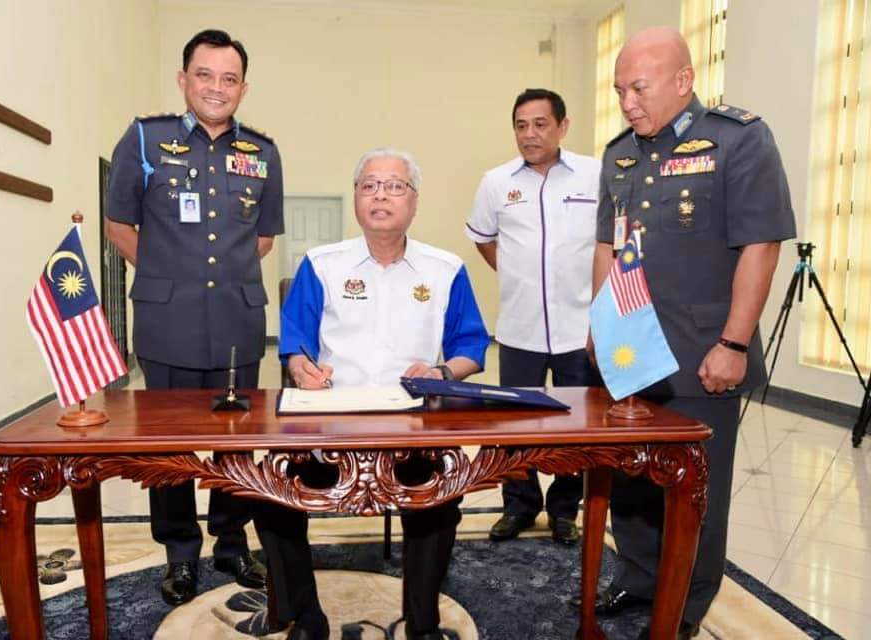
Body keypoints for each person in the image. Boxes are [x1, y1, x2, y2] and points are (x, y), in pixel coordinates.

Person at [589, 27, 796, 639]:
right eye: (620, 89)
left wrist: (733, 344)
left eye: (639, 87)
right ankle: (638, 575)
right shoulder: (618, 153)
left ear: (683, 81)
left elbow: (761, 245)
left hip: (701, 353)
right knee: (631, 479)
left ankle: (685, 601)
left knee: (695, 491)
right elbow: (608, 244)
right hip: (631, 350)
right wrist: (600, 325)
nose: (628, 101)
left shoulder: (740, 139)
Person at [259, 148, 489, 640]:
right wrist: (301, 367)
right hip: (331, 422)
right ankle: (305, 614)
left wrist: (442, 369)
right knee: (269, 493)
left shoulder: (445, 269)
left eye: (394, 185)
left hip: (413, 423)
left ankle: (422, 622)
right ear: (357, 198)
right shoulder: (322, 264)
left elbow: (472, 346)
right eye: (369, 185)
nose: (380, 194)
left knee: (440, 498)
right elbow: (295, 341)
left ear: (414, 200)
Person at [105, 29, 282, 606]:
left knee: (237, 444)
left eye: (228, 79)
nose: (216, 87)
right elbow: (118, 225)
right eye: (204, 75)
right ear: (184, 80)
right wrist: (167, 275)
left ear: (243, 88)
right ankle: (179, 553)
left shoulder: (262, 152)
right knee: (170, 449)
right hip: (167, 322)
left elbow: (262, 239)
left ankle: (231, 543)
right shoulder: (144, 138)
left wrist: (218, 280)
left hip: (237, 321)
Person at [466, 88, 602, 545]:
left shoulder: (593, 176)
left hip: (579, 330)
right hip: (519, 327)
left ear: (563, 126)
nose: (530, 134)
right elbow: (484, 238)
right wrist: (517, 273)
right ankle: (518, 506)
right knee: (515, 424)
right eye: (521, 125)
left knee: (576, 425)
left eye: (540, 124)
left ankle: (565, 510)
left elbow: (609, 247)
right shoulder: (495, 181)